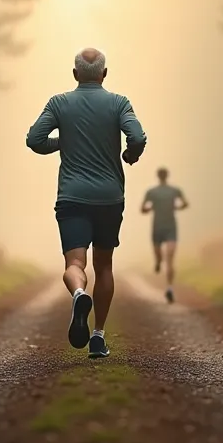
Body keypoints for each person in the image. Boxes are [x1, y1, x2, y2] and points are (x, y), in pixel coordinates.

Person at [26, 47, 147, 359]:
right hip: (109, 197)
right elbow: (137, 137)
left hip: (72, 197)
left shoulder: (59, 103)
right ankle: (97, 336)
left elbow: (34, 139)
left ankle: (79, 292)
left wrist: (62, 142)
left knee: (75, 264)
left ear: (75, 73)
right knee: (104, 265)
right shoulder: (120, 103)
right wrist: (129, 155)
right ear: (104, 74)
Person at [141, 167, 188, 304]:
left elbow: (143, 209)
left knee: (170, 258)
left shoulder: (173, 191)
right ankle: (158, 262)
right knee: (162, 257)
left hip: (168, 228)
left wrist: (176, 207)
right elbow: (143, 208)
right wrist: (177, 207)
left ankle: (169, 289)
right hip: (160, 227)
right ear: (166, 176)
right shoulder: (152, 192)